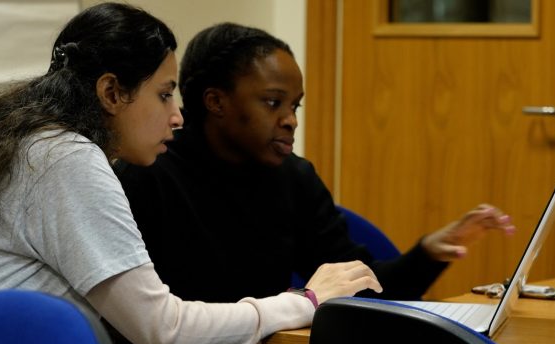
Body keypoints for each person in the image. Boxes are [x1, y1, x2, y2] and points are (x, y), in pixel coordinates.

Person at [0, 4, 383, 344]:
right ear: (111, 93)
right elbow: (164, 330)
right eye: (164, 93)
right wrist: (307, 301)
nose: (176, 115)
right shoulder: (65, 158)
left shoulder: (30, 143)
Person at [115, 22, 516, 305]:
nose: (291, 119)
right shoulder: (149, 174)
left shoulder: (294, 177)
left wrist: (429, 252)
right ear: (216, 102)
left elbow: (365, 289)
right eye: (273, 103)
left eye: (295, 105)